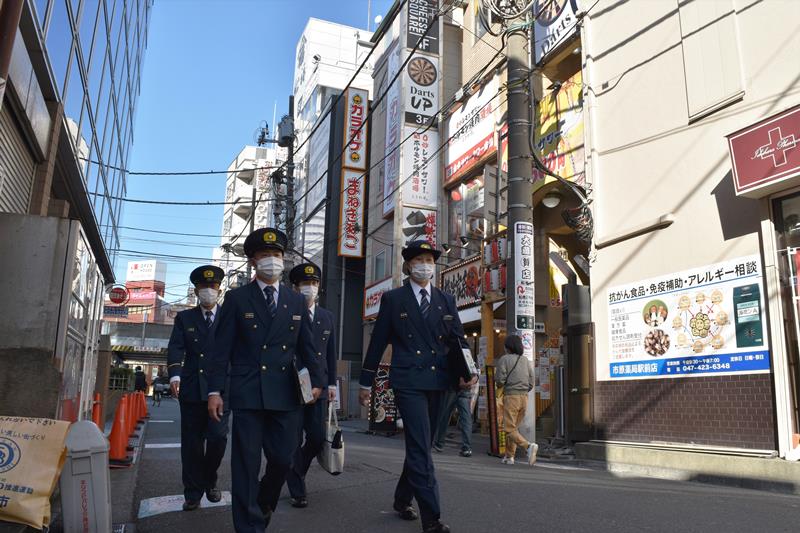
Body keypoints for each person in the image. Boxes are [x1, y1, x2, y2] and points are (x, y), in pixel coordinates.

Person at [207, 228, 323, 533]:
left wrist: (319, 381)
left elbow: (307, 347)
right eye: (264, 255)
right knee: (245, 464)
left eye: (276, 255)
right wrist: (215, 391)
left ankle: (264, 500)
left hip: (286, 393)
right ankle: (249, 526)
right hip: (247, 391)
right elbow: (221, 351)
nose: (271, 260)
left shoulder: (296, 301)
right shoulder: (236, 299)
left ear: (283, 260)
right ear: (253, 261)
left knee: (284, 460)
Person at [359, 240, 475, 533]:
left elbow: (458, 339)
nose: (426, 265)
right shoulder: (393, 299)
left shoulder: (445, 299)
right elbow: (378, 341)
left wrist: (469, 370)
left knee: (420, 445)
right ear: (409, 265)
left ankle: (401, 499)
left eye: (430, 260)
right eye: (420, 259)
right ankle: (432, 518)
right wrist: (365, 381)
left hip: (440, 380)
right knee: (421, 447)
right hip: (408, 380)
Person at [167, 265, 231, 511]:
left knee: (218, 439)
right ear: (195, 291)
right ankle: (193, 493)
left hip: (223, 389)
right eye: (203, 287)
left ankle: (209, 478)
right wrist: (174, 375)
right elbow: (176, 348)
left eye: (212, 287)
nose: (208, 291)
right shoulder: (185, 318)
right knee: (192, 444)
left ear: (220, 289)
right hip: (193, 389)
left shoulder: (229, 317)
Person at [281, 262, 338, 509]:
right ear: (295, 287)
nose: (310, 288)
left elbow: (331, 353)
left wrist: (332, 384)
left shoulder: (327, 316)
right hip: (291, 386)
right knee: (293, 439)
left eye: (314, 284)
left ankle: (296, 471)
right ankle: (297, 490)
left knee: (316, 437)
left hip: (320, 386)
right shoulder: (285, 313)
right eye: (305, 284)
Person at [494, 335, 537, 466]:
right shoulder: (525, 360)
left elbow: (499, 380)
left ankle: (528, 446)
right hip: (524, 397)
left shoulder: (504, 359)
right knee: (514, 428)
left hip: (511, 397)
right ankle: (509, 456)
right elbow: (531, 382)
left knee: (508, 428)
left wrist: (504, 385)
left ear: (508, 347)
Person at [432, 369, 476, 457]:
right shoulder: (468, 355)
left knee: (444, 415)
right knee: (466, 418)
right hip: (465, 387)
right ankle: (467, 447)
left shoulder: (450, 355)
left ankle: (439, 443)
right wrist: (473, 380)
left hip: (451, 386)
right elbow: (475, 370)